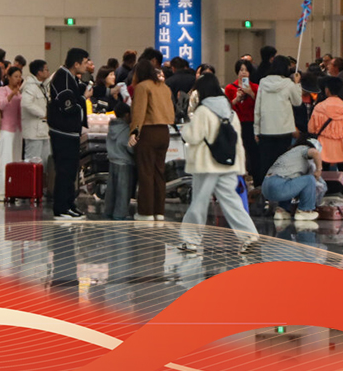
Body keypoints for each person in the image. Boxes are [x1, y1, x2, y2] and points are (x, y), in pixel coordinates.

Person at [179, 76, 259, 252]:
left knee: (199, 202)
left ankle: (191, 240)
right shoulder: (229, 111)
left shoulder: (203, 111)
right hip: (228, 164)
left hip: (207, 165)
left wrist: (185, 129)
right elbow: (236, 139)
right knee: (232, 202)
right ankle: (249, 236)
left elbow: (193, 136)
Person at [129, 57, 175, 222]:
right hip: (164, 132)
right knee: (159, 173)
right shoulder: (164, 87)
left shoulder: (142, 87)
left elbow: (139, 112)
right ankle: (159, 211)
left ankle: (146, 211)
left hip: (148, 132)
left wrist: (134, 132)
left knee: (146, 172)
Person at [48, 48, 89, 220]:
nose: (88, 65)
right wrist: (83, 98)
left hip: (70, 132)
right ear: (76, 64)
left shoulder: (70, 78)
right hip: (62, 132)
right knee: (64, 171)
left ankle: (69, 204)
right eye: (85, 62)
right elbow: (68, 107)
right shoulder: (62, 78)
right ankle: (61, 208)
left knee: (71, 171)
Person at [253, 54, 302, 177]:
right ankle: (281, 186)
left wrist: (256, 130)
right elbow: (297, 102)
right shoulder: (289, 84)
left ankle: (265, 186)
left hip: (266, 130)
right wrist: (297, 84)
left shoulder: (263, 82)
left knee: (266, 163)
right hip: (284, 130)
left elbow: (257, 108)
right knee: (282, 163)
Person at [261, 134, 323, 223]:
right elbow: (315, 153)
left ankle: (282, 211)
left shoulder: (291, 152)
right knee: (310, 179)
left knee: (291, 179)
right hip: (278, 186)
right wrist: (318, 170)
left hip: (266, 187)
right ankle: (305, 211)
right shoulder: (304, 149)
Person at [308, 80, 343, 173]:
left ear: (327, 90)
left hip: (323, 146)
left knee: (323, 171)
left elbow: (311, 129)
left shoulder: (319, 107)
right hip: (342, 146)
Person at [225, 58, 259, 182]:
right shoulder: (230, 88)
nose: (243, 73)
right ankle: (239, 177)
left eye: (246, 70)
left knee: (252, 151)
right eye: (241, 70)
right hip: (236, 122)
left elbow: (260, 105)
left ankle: (255, 177)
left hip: (251, 122)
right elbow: (226, 107)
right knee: (238, 150)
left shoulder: (255, 87)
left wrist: (251, 93)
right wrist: (236, 99)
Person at [104, 99, 136, 220]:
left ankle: (108, 211)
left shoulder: (112, 126)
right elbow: (129, 146)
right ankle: (120, 214)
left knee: (111, 190)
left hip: (112, 160)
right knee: (123, 191)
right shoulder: (126, 129)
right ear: (127, 115)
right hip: (124, 162)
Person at [0, 65, 24, 202]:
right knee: (5, 159)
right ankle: (2, 191)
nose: (18, 79)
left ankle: (15, 189)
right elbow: (1, 105)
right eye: (15, 76)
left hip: (18, 129)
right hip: (6, 128)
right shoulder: (3, 90)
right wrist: (12, 94)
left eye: (20, 76)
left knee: (16, 159)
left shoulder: (20, 92)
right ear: (9, 77)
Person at [21, 59, 51, 181]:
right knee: (32, 161)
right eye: (46, 70)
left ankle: (41, 186)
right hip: (33, 131)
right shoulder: (30, 86)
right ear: (39, 72)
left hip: (44, 130)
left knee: (45, 161)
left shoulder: (42, 86)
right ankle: (29, 185)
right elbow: (26, 103)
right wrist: (43, 114)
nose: (48, 72)